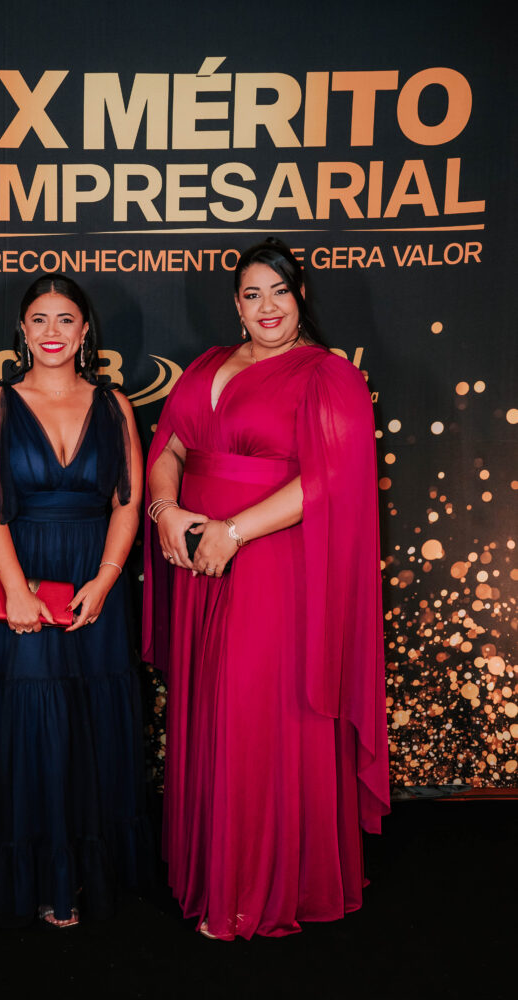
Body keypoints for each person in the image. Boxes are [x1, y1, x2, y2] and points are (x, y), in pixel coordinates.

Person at [143, 238, 389, 940]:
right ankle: (212, 875)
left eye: (279, 291)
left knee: (258, 716)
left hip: (274, 565)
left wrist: (232, 531)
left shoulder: (328, 375)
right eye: (253, 294)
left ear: (300, 295)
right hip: (198, 563)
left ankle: (255, 892)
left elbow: (332, 481)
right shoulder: (206, 366)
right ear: (236, 304)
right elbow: (171, 447)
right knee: (211, 711)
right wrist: (166, 511)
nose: (267, 306)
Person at [0, 273, 150, 927]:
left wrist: (107, 577)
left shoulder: (115, 404)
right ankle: (43, 877)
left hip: (97, 580)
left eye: (65, 319)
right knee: (34, 722)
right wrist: (16, 590)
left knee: (93, 720)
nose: (51, 332)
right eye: (39, 319)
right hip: (22, 577)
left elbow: (128, 503)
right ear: (22, 330)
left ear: (85, 330)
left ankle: (88, 873)